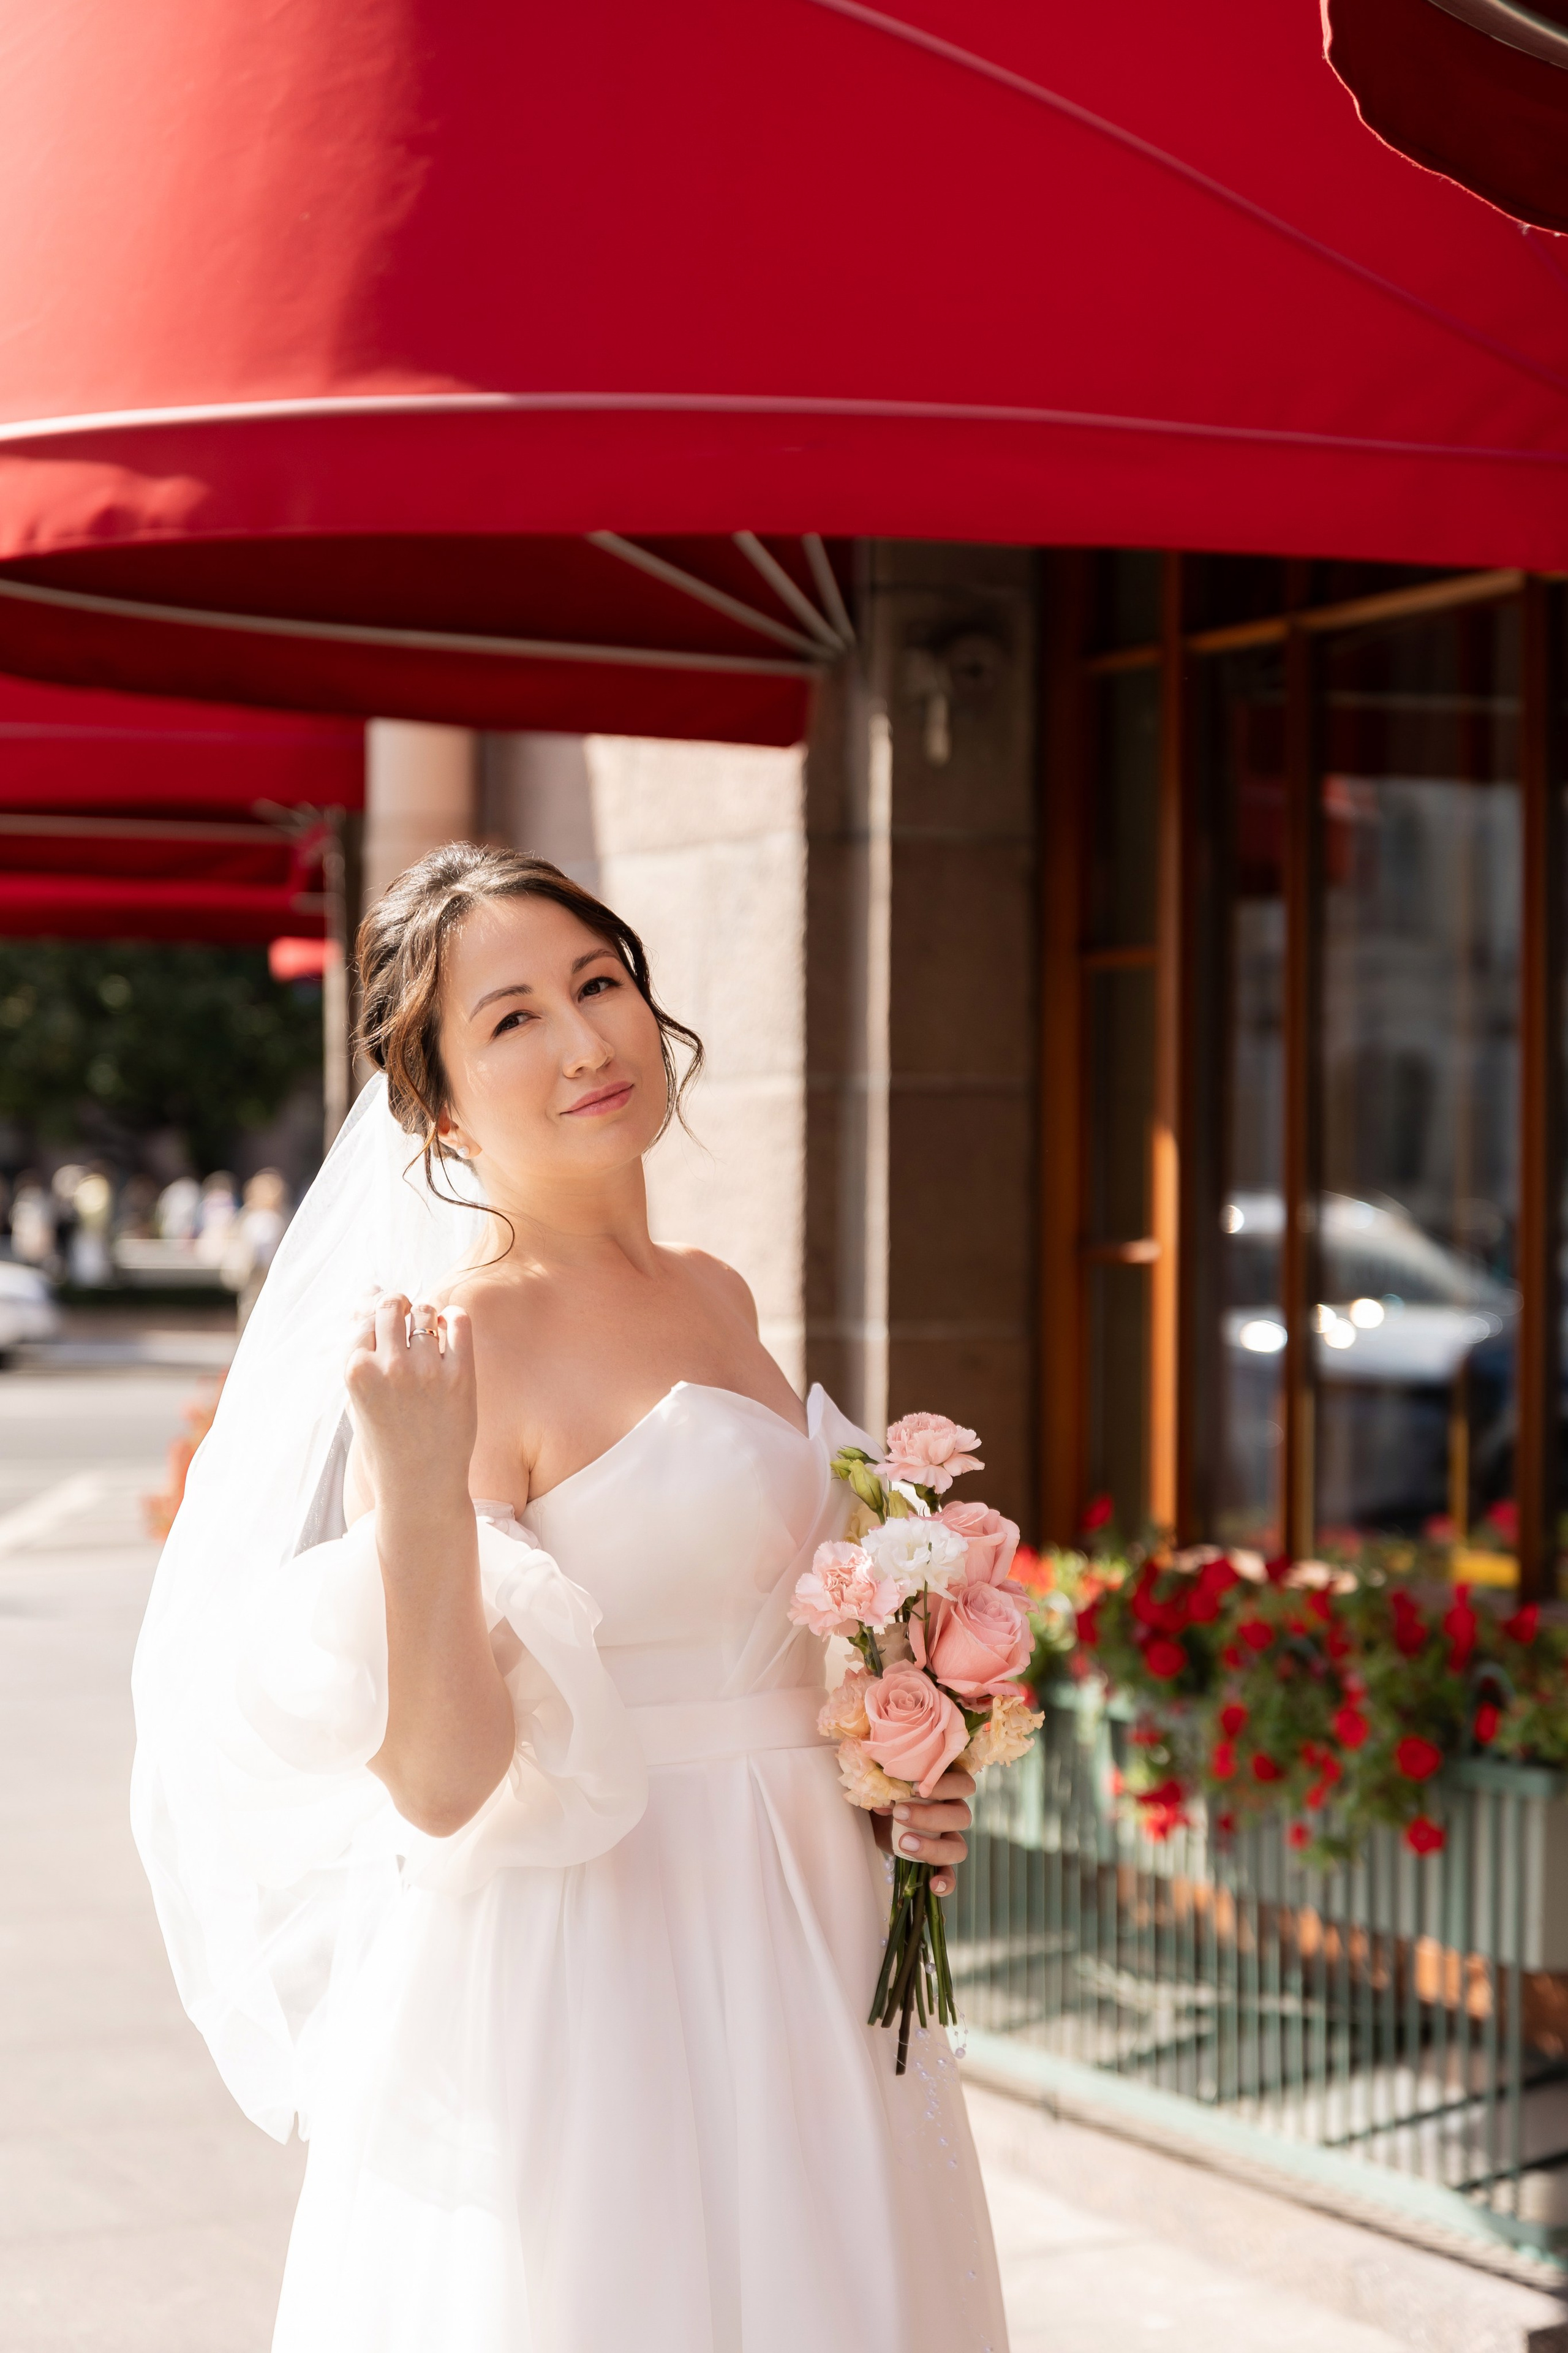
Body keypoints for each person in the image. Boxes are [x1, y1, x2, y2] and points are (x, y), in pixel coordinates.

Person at [131, 845, 1007, 2353]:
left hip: (809, 1912)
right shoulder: (457, 1340)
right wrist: (413, 1490)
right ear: (435, 1105)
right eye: (511, 1017)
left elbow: (759, 1626)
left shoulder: (718, 1289)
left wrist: (897, 1772)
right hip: (607, 1949)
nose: (585, 1040)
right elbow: (441, 1783)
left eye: (598, 984)